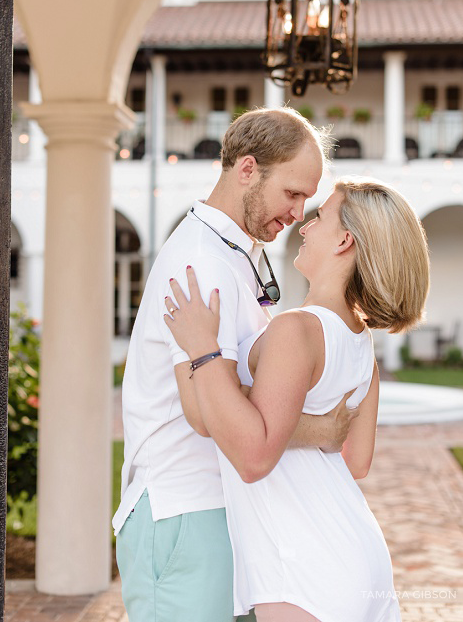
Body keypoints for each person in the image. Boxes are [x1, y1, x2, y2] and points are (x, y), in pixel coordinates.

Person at [114, 108, 358, 622]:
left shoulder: (235, 252)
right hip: (184, 510)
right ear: (247, 169)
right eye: (292, 194)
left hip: (219, 510)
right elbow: (204, 413)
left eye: (307, 200)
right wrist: (317, 429)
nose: (298, 213)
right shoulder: (201, 260)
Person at [164, 178, 428, 621]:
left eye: (320, 216)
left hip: (304, 568)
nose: (303, 226)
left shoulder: (296, 330)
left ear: (345, 240)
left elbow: (253, 457)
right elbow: (356, 460)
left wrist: (203, 349)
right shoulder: (362, 347)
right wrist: (314, 428)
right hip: (359, 553)